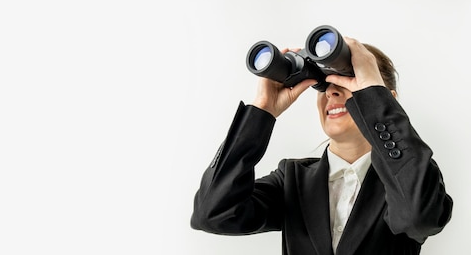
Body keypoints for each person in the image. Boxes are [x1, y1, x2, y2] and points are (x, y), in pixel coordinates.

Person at [190, 37, 453, 255]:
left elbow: (419, 218)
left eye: (347, 80)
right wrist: (261, 111)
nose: (331, 91)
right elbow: (213, 213)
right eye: (324, 84)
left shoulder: (408, 178)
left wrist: (375, 100)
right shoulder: (293, 179)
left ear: (385, 100)